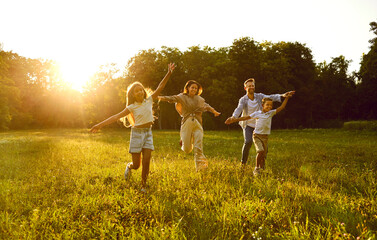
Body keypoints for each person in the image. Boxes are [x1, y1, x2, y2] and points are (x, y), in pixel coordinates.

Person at [90, 63, 176, 191]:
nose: (140, 92)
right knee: (137, 165)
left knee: (147, 161)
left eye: (141, 89)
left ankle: (143, 185)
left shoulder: (150, 100)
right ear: (133, 95)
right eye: (137, 91)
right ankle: (129, 167)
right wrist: (99, 125)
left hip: (148, 133)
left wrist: (169, 73)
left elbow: (160, 86)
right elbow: (115, 117)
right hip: (136, 134)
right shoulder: (131, 107)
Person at [225, 78, 295, 167]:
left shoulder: (259, 96)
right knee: (248, 141)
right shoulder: (243, 99)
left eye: (252, 85)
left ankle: (261, 166)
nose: (251, 87)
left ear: (254, 87)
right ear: (245, 88)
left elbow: (271, 97)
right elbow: (238, 109)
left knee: (264, 149)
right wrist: (233, 117)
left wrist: (283, 95)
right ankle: (243, 163)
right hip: (248, 125)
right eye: (249, 86)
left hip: (259, 125)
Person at [158, 80, 221, 171]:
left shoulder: (199, 99)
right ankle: (184, 141)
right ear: (188, 88)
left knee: (198, 147)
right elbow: (171, 98)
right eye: (192, 87)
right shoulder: (182, 97)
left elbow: (206, 106)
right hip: (187, 122)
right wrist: (158, 97)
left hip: (198, 124)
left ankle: (201, 168)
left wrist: (214, 111)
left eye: (196, 88)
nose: (194, 89)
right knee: (187, 149)